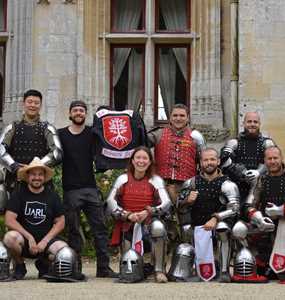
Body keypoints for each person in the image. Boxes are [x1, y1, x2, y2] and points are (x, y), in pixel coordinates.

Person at [58, 100, 116, 278]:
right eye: (75, 110)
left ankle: (103, 268)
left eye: (81, 110)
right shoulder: (60, 134)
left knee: (100, 229)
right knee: (74, 231)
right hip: (71, 189)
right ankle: (75, 269)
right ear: (70, 113)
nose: (78, 113)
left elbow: (109, 141)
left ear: (85, 114)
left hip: (90, 188)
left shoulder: (92, 133)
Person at [232, 146, 285, 283]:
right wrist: (259, 219)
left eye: (275, 158)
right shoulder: (260, 180)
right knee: (238, 229)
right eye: (269, 158)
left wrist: (281, 211)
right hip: (265, 227)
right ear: (265, 161)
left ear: (281, 159)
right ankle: (250, 263)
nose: (273, 161)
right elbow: (249, 205)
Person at [106, 146, 172, 283]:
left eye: (145, 158)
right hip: (128, 222)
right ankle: (131, 269)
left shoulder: (156, 180)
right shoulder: (122, 179)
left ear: (149, 162)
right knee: (129, 263)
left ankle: (159, 270)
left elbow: (166, 203)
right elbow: (110, 201)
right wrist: (127, 215)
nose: (141, 161)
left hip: (148, 222)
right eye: (138, 158)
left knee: (158, 227)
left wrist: (148, 211)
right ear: (132, 160)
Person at [174, 148, 240, 282]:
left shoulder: (227, 184)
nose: (209, 163)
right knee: (186, 229)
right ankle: (192, 268)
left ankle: (224, 271)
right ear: (200, 162)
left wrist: (216, 218)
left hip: (217, 225)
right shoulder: (191, 183)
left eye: (212, 159)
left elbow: (235, 208)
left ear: (218, 161)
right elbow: (178, 205)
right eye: (205, 160)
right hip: (197, 225)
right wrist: (187, 200)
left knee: (223, 228)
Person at [148, 104, 206, 242]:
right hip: (162, 186)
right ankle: (160, 260)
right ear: (170, 117)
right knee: (160, 225)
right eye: (175, 115)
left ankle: (187, 257)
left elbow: (204, 162)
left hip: (186, 186)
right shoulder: (158, 133)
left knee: (186, 226)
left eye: (182, 116)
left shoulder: (195, 136)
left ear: (187, 118)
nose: (178, 118)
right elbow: (139, 144)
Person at [3, 157, 67, 280]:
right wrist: (29, 237)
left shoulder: (52, 196)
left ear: (44, 177)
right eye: (33, 174)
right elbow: (9, 219)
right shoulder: (19, 194)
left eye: (40, 175)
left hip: (46, 242)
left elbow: (61, 222)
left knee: (63, 250)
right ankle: (20, 265)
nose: (37, 177)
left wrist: (45, 241)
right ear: (28, 177)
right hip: (25, 242)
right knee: (9, 238)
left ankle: (44, 264)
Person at [0, 89, 62, 192]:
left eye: (36, 103)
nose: (32, 105)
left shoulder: (48, 128)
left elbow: (57, 153)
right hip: (15, 181)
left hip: (40, 182)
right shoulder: (12, 127)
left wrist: (35, 167)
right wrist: (15, 167)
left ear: (40, 105)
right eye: (29, 102)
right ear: (23, 104)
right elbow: (1, 149)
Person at [220, 111, 275, 208]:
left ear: (259, 124)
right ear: (243, 123)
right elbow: (223, 162)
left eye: (255, 122)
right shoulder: (234, 142)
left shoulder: (267, 143)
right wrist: (242, 173)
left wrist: (259, 172)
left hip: (260, 187)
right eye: (249, 121)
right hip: (237, 187)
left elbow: (275, 162)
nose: (252, 124)